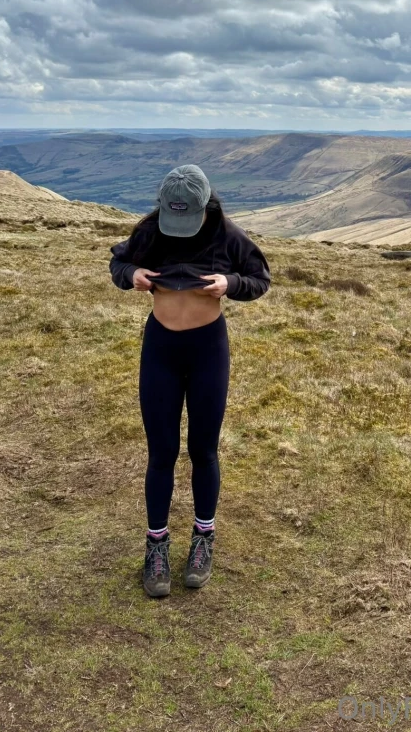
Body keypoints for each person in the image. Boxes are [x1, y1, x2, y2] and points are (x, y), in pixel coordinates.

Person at [109, 164, 270, 598]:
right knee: (161, 452)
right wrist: (132, 277)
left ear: (205, 206)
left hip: (207, 351)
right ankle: (156, 546)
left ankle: (203, 540)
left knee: (203, 449)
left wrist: (230, 282)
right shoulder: (150, 231)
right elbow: (119, 262)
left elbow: (260, 279)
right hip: (160, 349)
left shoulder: (227, 235)